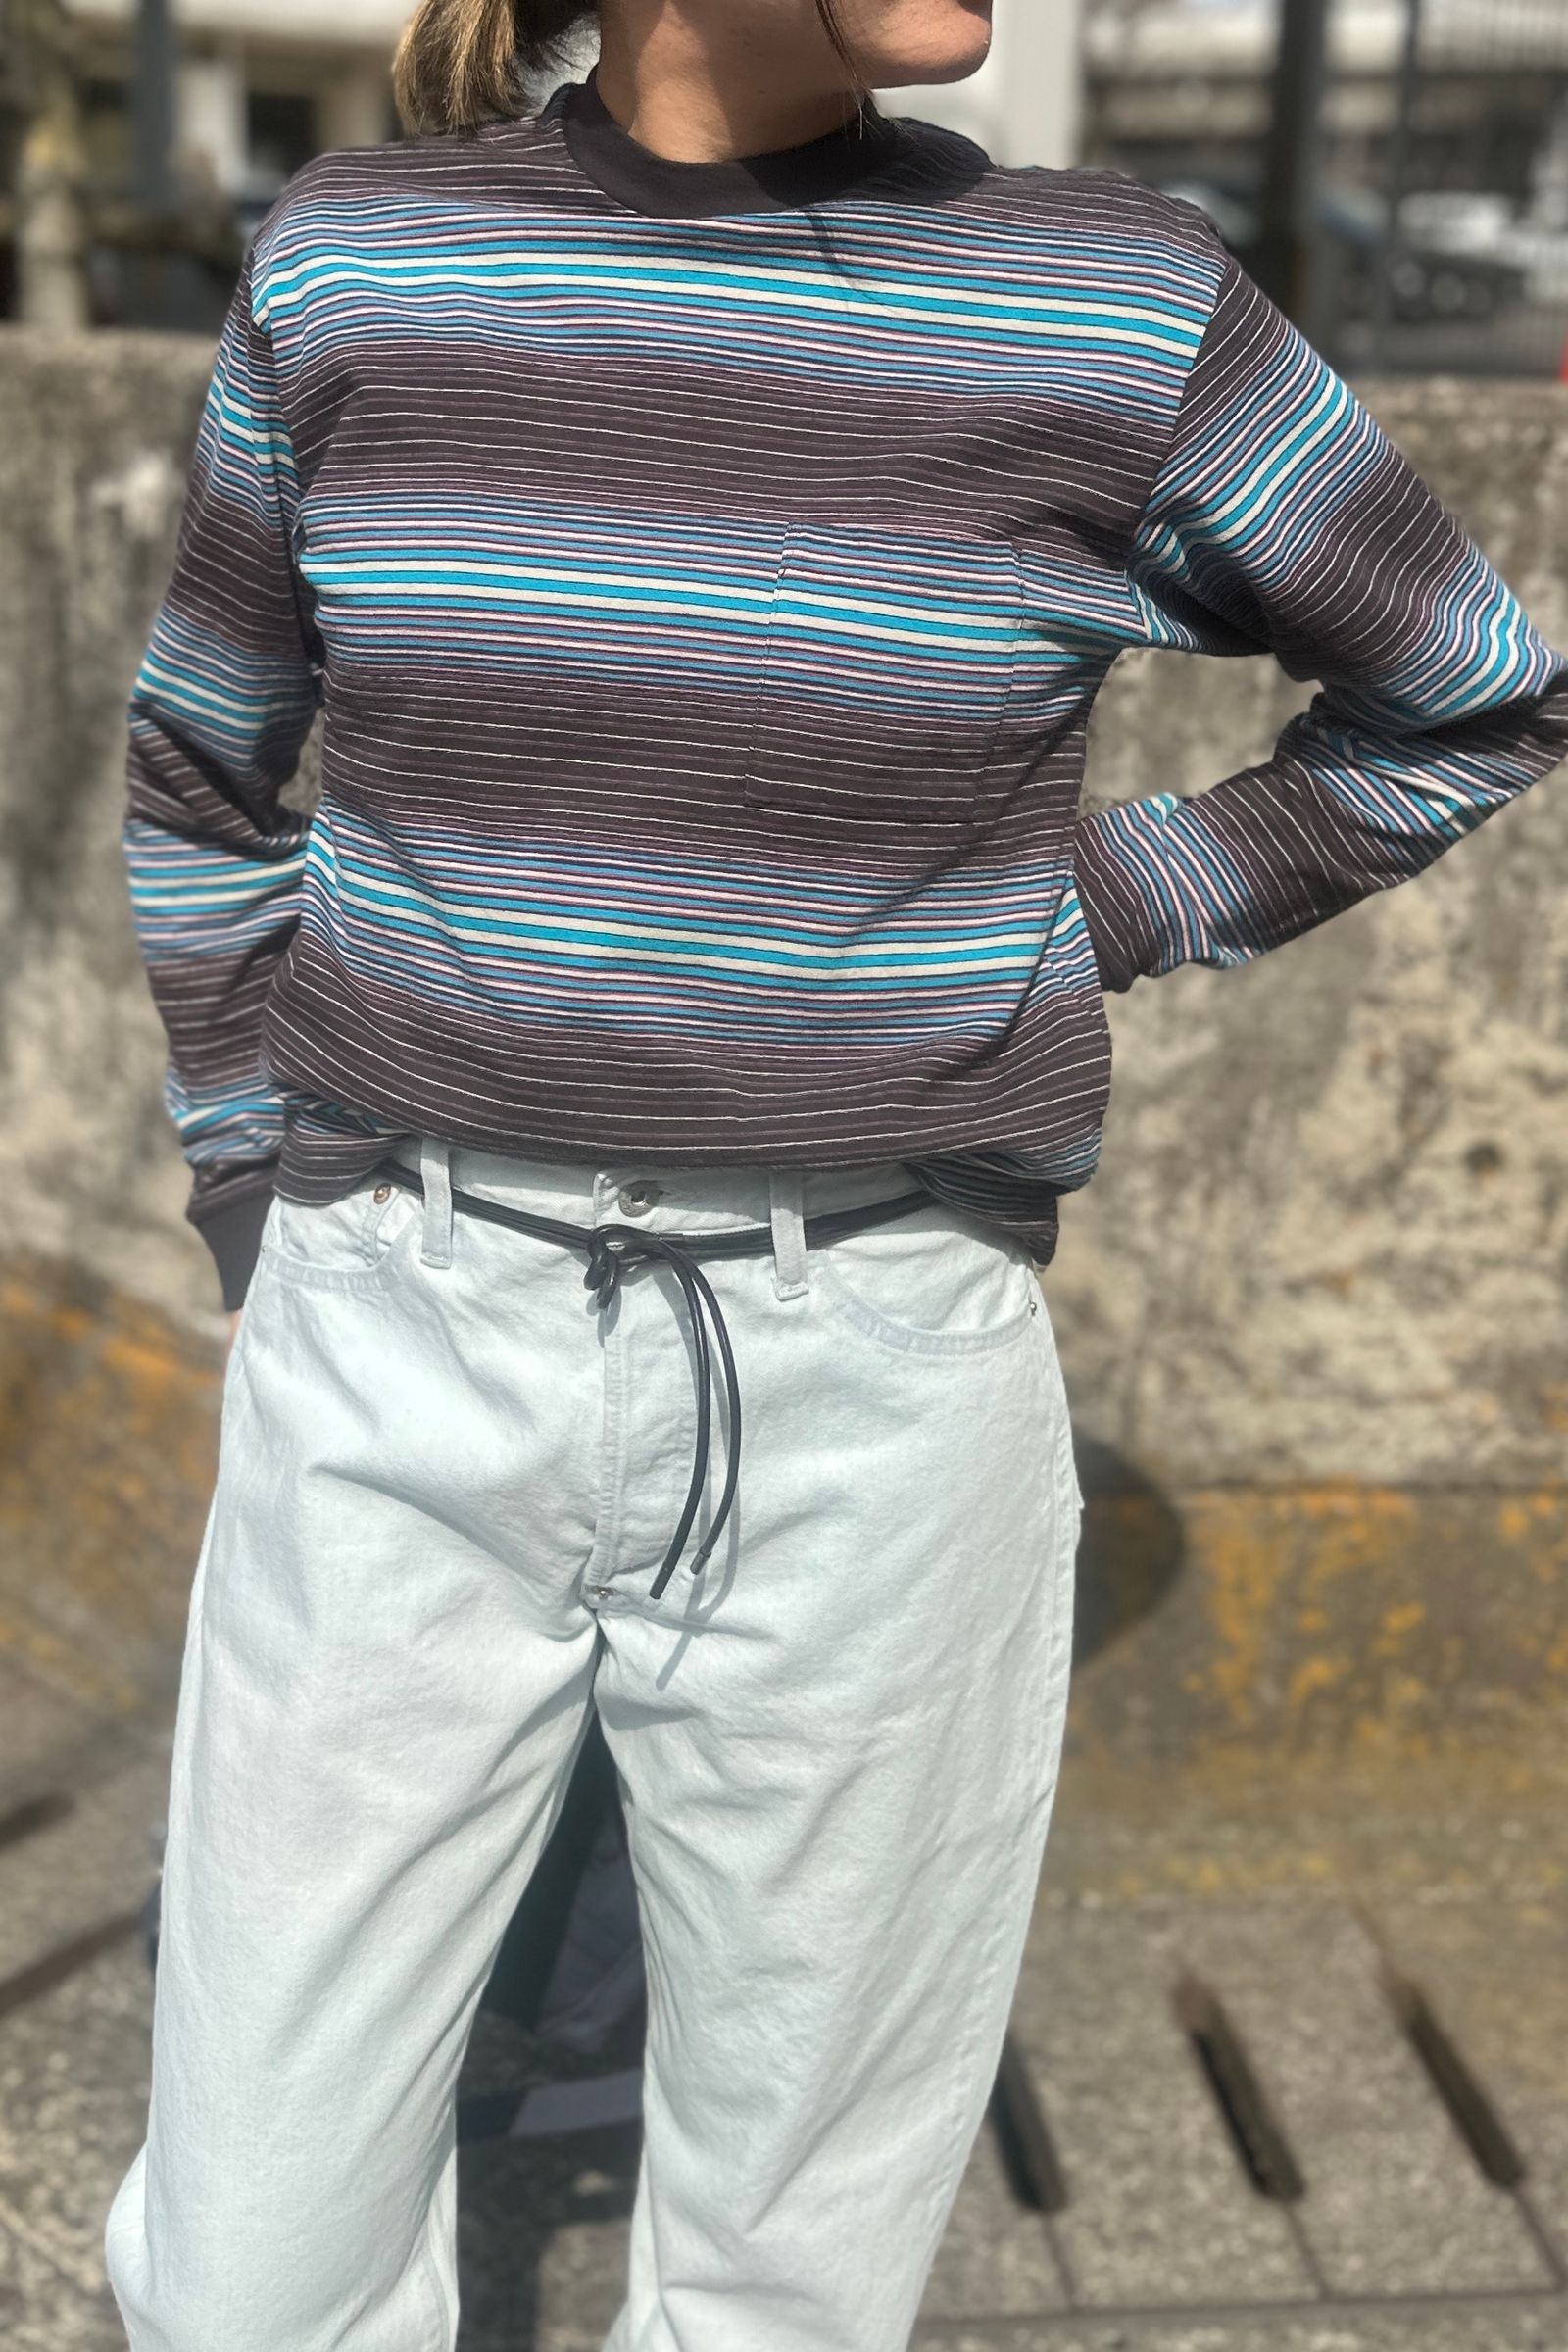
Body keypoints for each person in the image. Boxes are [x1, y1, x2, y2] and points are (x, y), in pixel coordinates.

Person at [104, 2, 1568, 2346]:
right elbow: (201, 768)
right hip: (394, 1333)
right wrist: (256, 1196)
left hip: (875, 1378)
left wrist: (1089, 911)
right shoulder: (363, 261)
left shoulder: (1112, 299)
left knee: (789, 2266)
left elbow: (1465, 692)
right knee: (249, 2262)